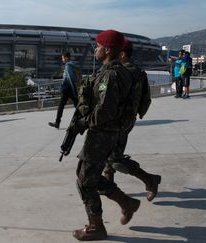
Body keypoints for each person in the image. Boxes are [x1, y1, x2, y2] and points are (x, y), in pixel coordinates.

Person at [72, 30, 139, 241]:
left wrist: (83, 122)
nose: (96, 49)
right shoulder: (110, 72)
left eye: (98, 46)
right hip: (104, 134)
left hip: (103, 135)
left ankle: (96, 226)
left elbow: (106, 110)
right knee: (84, 175)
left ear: (108, 49)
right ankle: (126, 202)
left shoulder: (110, 75)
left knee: (85, 182)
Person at [102, 38, 161, 202]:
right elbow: (145, 98)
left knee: (115, 158)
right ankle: (109, 185)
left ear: (120, 53)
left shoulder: (122, 72)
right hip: (125, 119)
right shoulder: (138, 72)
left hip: (118, 121)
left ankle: (149, 179)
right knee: (110, 152)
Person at [48, 52, 79, 129]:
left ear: (66, 58)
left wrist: (73, 90)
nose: (62, 59)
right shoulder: (71, 65)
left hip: (67, 89)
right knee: (77, 105)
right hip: (70, 89)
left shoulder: (68, 65)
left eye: (63, 58)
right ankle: (85, 118)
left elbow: (70, 79)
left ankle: (57, 123)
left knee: (61, 106)